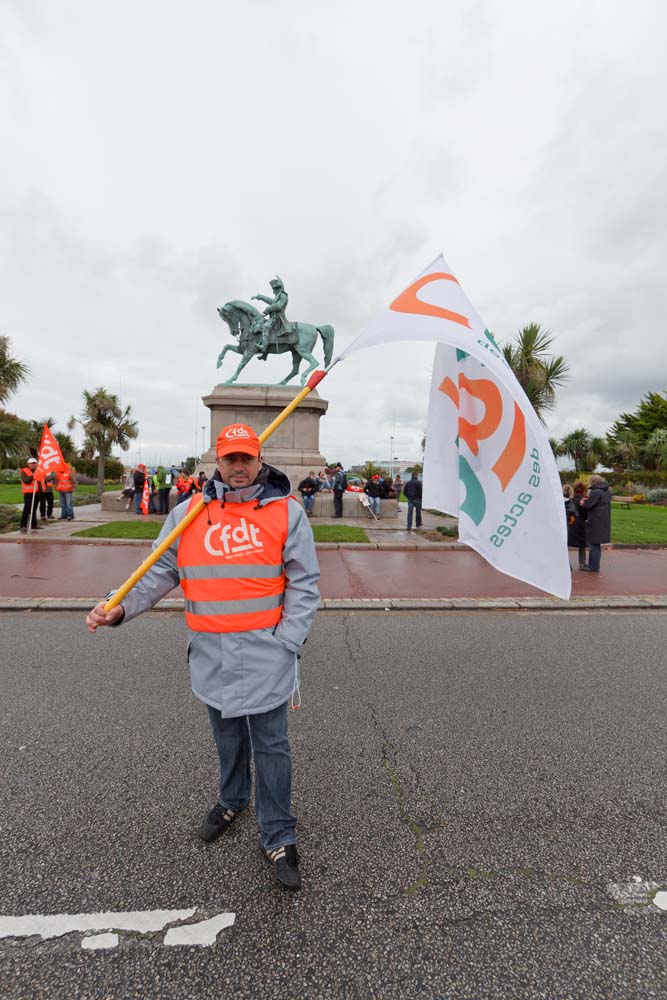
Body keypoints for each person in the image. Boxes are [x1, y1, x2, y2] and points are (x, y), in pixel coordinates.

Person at [85, 423, 320, 891]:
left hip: (266, 655)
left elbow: (304, 583)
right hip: (210, 653)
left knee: (271, 745)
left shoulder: (288, 513)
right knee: (227, 736)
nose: (238, 467)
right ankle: (232, 800)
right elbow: (156, 573)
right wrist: (118, 606)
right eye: (229, 458)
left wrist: (288, 641)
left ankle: (278, 834)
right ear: (218, 460)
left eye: (245, 459)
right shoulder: (188, 513)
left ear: (259, 460)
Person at [579, 474, 611, 572]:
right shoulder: (607, 492)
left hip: (595, 521)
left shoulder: (596, 492)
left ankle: (593, 567)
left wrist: (582, 503)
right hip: (603, 521)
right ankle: (595, 565)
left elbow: (588, 505)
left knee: (593, 544)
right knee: (596, 544)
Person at [567, 481, 588, 570]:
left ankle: (567, 564)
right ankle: (582, 563)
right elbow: (586, 514)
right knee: (582, 545)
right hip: (581, 525)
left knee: (567, 545)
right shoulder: (583, 500)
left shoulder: (570, 500)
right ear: (583, 490)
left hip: (570, 524)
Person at [19, 457, 42, 533]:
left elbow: (40, 481)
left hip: (37, 493)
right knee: (27, 509)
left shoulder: (38, 471)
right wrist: (33, 475)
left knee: (34, 509)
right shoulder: (24, 471)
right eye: (31, 463)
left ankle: (34, 524)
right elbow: (26, 481)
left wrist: (40, 491)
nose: (33, 465)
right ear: (28, 464)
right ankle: (23, 525)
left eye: (34, 463)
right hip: (28, 493)